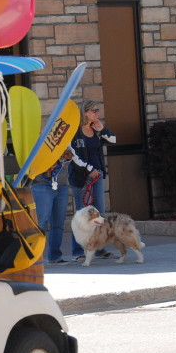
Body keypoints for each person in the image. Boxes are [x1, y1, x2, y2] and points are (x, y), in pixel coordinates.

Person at [69, 101, 118, 261]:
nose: (97, 113)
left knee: (99, 213)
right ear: (85, 113)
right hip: (82, 177)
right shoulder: (75, 132)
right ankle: (78, 251)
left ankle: (98, 249)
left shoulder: (96, 131)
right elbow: (73, 156)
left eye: (97, 110)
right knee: (82, 215)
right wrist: (89, 170)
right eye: (93, 111)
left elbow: (113, 140)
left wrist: (102, 128)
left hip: (97, 177)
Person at [31, 149, 72, 265]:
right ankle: (35, 258)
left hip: (62, 184)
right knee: (41, 223)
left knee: (58, 223)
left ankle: (55, 256)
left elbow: (73, 156)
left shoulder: (66, 137)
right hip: (41, 183)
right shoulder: (38, 137)